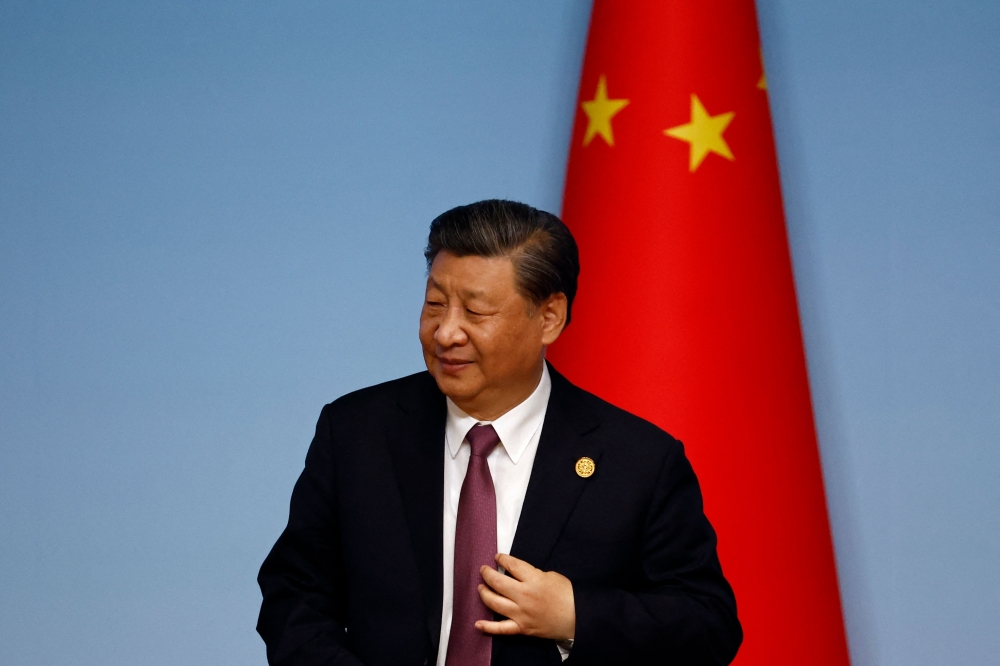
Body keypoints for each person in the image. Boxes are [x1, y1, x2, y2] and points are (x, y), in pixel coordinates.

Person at [257, 200, 742, 666]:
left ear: (548, 317)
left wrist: (576, 616)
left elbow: (708, 626)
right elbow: (294, 599)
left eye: (476, 311)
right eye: (435, 304)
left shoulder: (638, 461)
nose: (446, 332)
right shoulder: (358, 433)